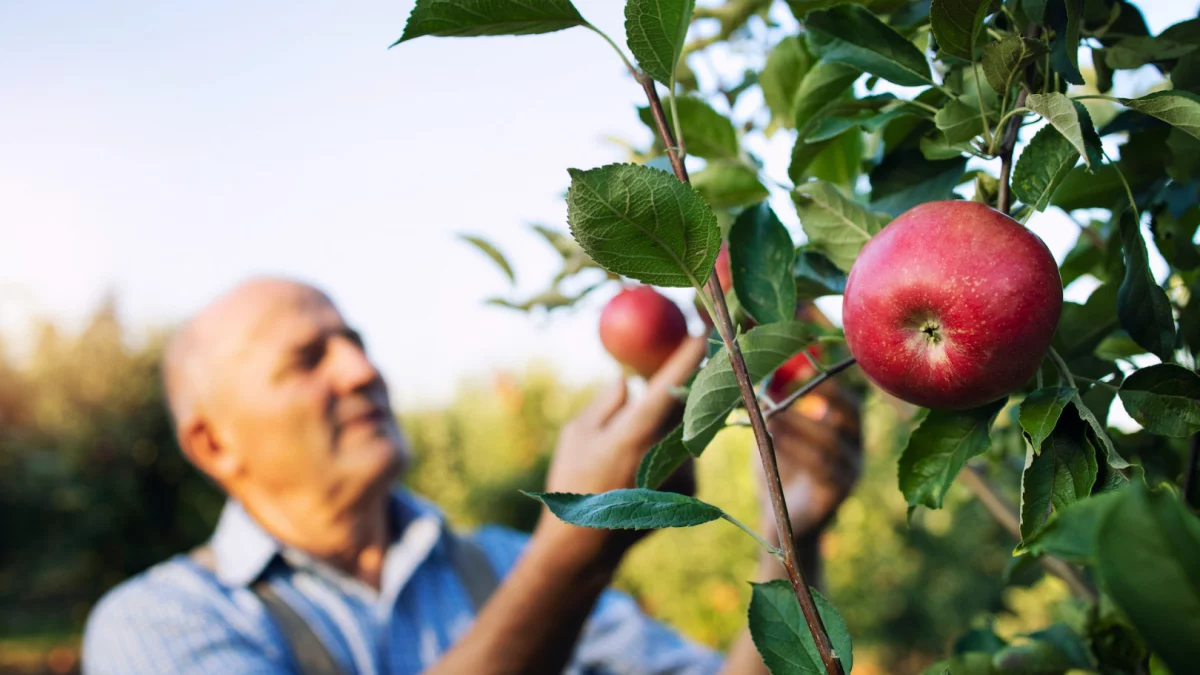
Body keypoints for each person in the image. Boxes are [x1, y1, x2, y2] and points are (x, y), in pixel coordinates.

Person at [82, 277, 861, 675]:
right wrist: (575, 547)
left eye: (355, 341)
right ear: (213, 441)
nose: (362, 370)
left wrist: (790, 534)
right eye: (308, 359)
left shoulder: (496, 562)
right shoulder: (155, 625)